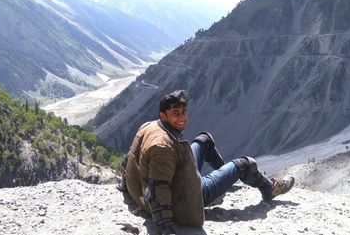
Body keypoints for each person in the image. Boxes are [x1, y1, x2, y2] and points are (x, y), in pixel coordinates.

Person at [121, 90, 294, 234]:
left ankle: (223, 180)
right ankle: (270, 189)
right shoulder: (162, 147)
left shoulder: (149, 126)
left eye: (183, 112)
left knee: (204, 139)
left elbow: (130, 158)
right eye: (175, 113)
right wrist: (166, 228)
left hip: (177, 177)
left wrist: (126, 184)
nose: (182, 118)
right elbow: (158, 189)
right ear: (163, 116)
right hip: (187, 199)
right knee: (246, 164)